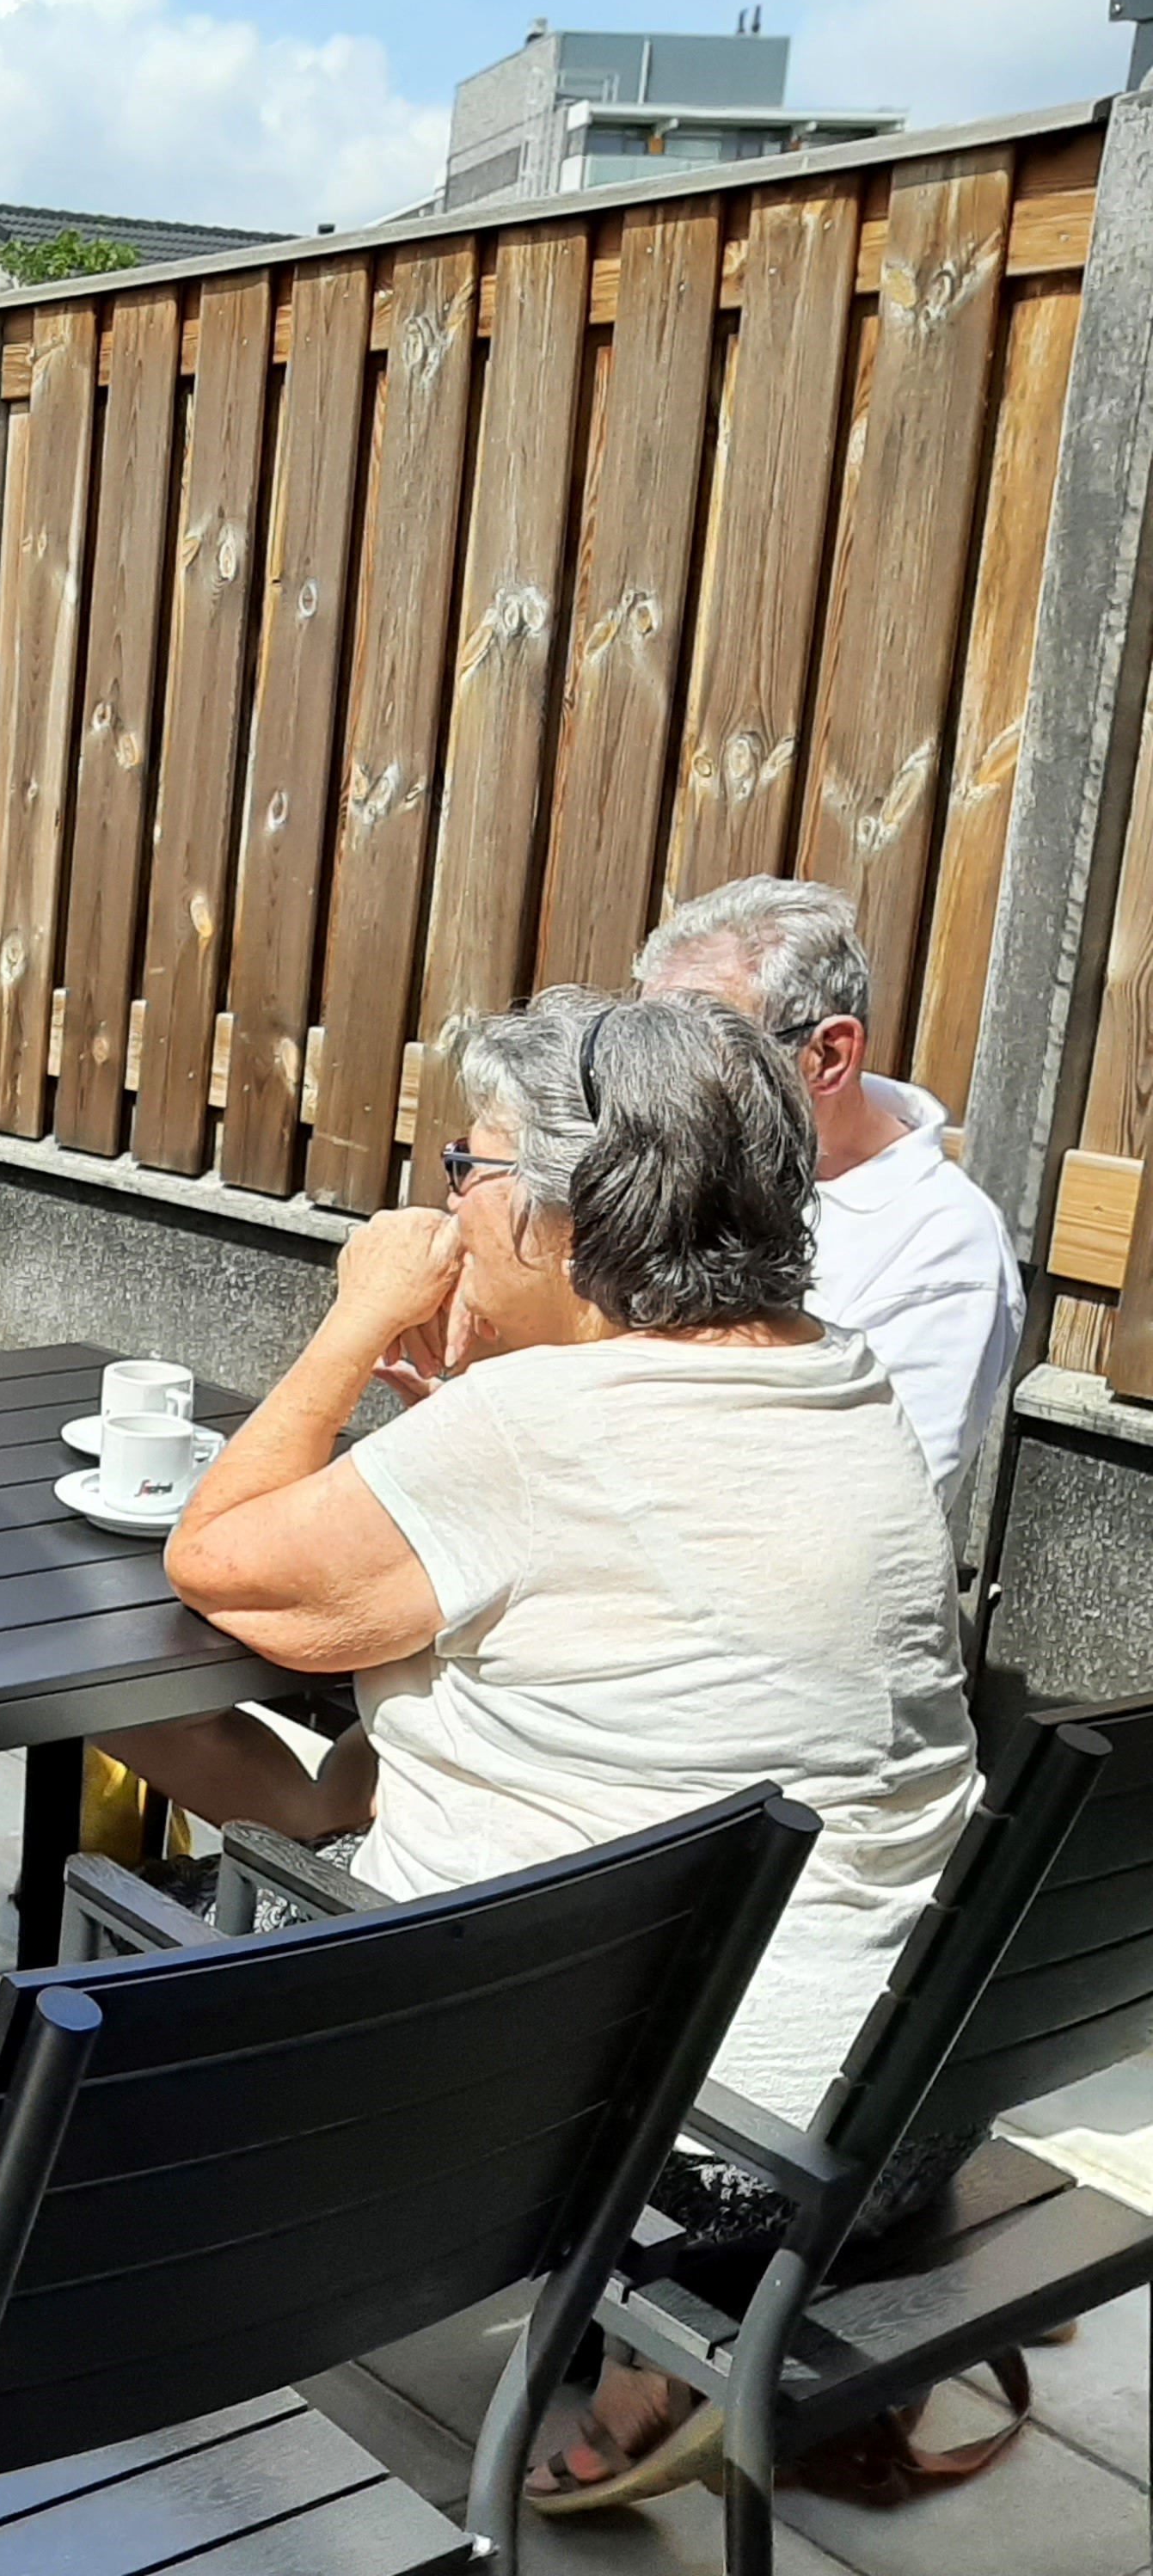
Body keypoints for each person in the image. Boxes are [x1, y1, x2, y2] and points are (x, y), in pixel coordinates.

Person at [134, 986, 978, 2508]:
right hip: (877, 2097)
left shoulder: (540, 1425)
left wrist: (356, 1314)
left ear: (568, 1210)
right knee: (365, 1760)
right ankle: (659, 2363)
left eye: (471, 1165)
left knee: (213, 1828)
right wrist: (470, 1411)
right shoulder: (837, 1377)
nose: (447, 1199)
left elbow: (224, 1561)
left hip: (650, 2127)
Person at [633, 876, 1021, 1519]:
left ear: (829, 1056)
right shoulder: (666, 1162)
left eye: (702, 1056)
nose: (655, 1093)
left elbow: (874, 1515)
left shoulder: (943, 1246)